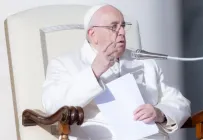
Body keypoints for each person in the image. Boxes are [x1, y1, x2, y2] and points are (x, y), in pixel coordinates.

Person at [42, 4, 191, 140]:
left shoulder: (145, 64)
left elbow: (180, 103)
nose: (122, 32)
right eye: (114, 27)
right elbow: (52, 106)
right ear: (93, 34)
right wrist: (94, 71)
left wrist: (159, 113)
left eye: (123, 26)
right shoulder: (64, 64)